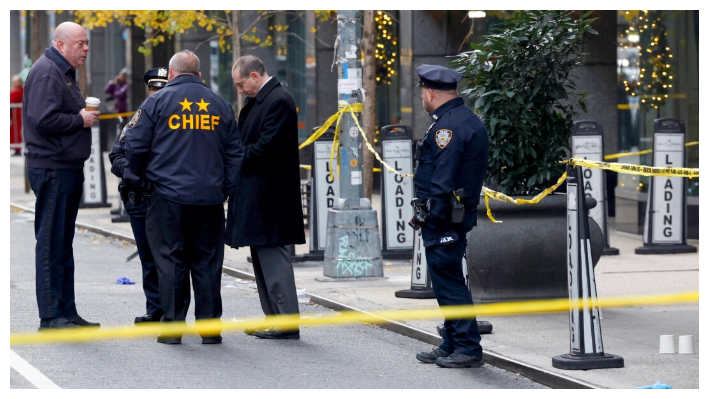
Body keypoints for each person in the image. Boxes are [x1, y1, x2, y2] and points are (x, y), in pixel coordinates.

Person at [124, 50, 241, 345]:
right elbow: (235, 154)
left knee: (170, 260)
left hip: (167, 197)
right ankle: (210, 328)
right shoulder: (220, 104)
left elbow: (135, 144)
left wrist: (138, 178)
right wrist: (225, 188)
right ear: (199, 75)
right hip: (209, 199)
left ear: (171, 75)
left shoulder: (156, 102)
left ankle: (174, 327)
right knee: (208, 262)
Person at [22, 21, 101, 331]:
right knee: (51, 242)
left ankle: (67, 311)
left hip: (65, 167)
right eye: (80, 43)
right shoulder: (47, 72)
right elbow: (42, 118)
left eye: (87, 43)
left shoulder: (62, 72)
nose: (85, 48)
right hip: (52, 167)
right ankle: (51, 315)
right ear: (60, 44)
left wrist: (78, 118)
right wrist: (78, 119)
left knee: (63, 243)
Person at [410, 64, 489, 368]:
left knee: (450, 282)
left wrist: (429, 215)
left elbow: (442, 178)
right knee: (446, 281)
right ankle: (452, 341)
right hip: (450, 215)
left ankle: (468, 347)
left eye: (421, 92)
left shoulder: (448, 126)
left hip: (445, 218)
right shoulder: (459, 119)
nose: (421, 97)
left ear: (429, 92)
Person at [226, 55, 305, 340]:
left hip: (271, 198)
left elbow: (266, 149)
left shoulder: (278, 100)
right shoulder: (262, 100)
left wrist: (234, 158)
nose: (239, 90)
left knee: (274, 260)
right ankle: (274, 317)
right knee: (261, 260)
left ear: (255, 76)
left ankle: (285, 321)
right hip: (260, 195)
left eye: (241, 83)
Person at [108, 67, 169, 325]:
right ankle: (155, 307)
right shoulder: (137, 119)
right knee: (148, 257)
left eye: (162, 90)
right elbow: (116, 156)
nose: (156, 94)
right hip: (140, 199)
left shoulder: (176, 123)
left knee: (170, 257)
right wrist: (132, 173)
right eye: (153, 89)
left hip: (167, 198)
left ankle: (173, 310)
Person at [10, 75, 24, 154]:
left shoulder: (20, 90)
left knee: (17, 130)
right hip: (15, 113)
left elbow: (13, 98)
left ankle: (17, 148)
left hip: (18, 113)